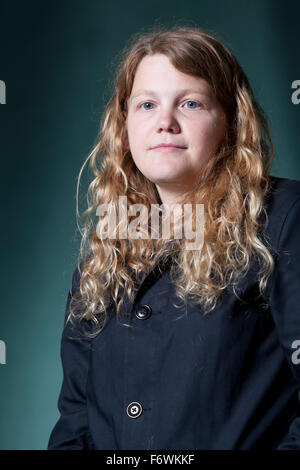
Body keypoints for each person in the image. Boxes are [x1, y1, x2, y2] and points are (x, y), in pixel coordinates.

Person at [47, 26, 300, 450]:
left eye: (190, 103)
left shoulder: (283, 216)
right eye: (146, 104)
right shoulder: (107, 252)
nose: (165, 122)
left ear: (231, 122)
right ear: (124, 127)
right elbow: (76, 424)